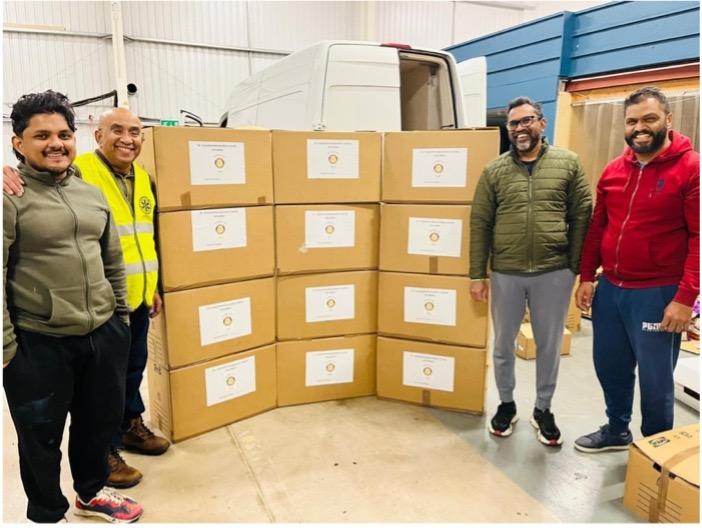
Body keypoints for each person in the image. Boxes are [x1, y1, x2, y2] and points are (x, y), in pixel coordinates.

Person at [4, 106, 169, 488]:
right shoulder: (73, 172)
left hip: (123, 308)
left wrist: (147, 292)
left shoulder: (140, 179)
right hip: (53, 326)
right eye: (117, 130)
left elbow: (136, 242)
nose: (127, 139)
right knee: (60, 420)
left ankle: (124, 433)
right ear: (97, 136)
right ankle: (96, 463)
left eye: (135, 131)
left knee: (123, 383)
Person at [574, 86, 699, 452]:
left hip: (657, 293)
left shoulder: (691, 169)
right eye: (632, 121)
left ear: (668, 120)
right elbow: (598, 227)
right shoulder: (614, 170)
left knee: (655, 379)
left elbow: (699, 236)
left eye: (649, 118)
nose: (639, 127)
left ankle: (656, 449)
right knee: (610, 366)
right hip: (612, 289)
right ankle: (617, 430)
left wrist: (685, 298)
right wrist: (587, 276)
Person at [470, 96, 592, 446]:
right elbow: (480, 222)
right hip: (506, 271)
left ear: (542, 122)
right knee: (502, 345)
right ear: (508, 129)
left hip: (553, 272)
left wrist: (574, 267)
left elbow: (582, 215)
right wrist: (477, 274)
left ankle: (543, 409)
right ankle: (506, 404)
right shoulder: (494, 170)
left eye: (526, 121)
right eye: (513, 123)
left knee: (549, 346)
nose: (520, 128)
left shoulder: (568, 163)